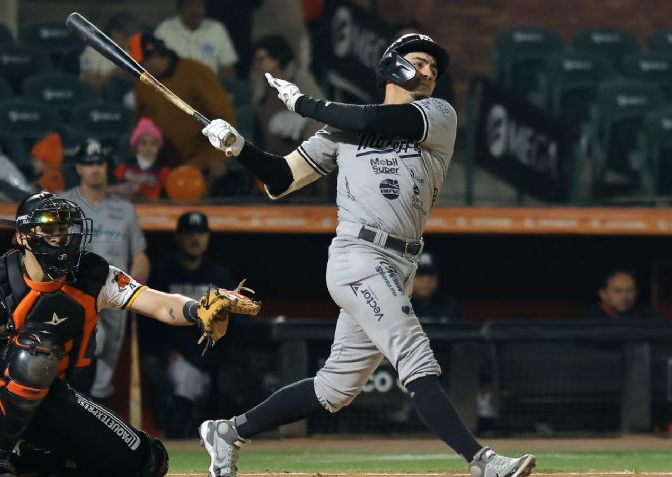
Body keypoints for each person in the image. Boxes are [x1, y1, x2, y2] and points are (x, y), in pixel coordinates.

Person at [199, 33, 536, 477]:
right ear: (393, 65)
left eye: (435, 67)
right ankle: (481, 462)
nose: (430, 71)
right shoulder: (342, 128)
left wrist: (304, 105)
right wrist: (239, 147)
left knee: (336, 388)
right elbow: (281, 179)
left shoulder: (438, 114)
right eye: (420, 61)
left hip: (401, 263)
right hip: (358, 255)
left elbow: (376, 118)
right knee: (416, 355)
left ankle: (229, 432)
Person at [0, 191, 248, 477]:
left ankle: (26, 462)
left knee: (148, 461)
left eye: (64, 227)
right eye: (47, 228)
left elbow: (157, 303)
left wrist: (197, 309)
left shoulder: (93, 275)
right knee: (37, 350)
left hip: (51, 393)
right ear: (22, 237)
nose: (59, 236)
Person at [61, 138, 151, 401]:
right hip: (76, 293)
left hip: (115, 294)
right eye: (88, 163)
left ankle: (93, 424)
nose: (95, 169)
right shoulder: (63, 205)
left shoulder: (124, 210)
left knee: (105, 370)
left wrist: (137, 285)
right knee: (89, 348)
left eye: (99, 162)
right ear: (78, 168)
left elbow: (140, 254)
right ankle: (74, 410)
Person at [138, 211, 234, 438]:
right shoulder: (161, 275)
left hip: (205, 363)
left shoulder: (220, 278)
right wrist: (159, 352)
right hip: (167, 361)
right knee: (184, 377)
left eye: (200, 233)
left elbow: (228, 329)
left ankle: (176, 436)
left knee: (190, 377)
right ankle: (176, 429)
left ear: (208, 237)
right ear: (178, 237)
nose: (195, 239)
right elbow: (149, 323)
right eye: (189, 233)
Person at [132, 34, 236, 183]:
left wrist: (218, 158)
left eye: (141, 63)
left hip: (199, 160)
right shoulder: (142, 80)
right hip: (158, 162)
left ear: (155, 56)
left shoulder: (195, 72)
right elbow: (139, 120)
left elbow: (225, 117)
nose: (139, 69)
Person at [252, 35, 326, 156]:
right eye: (256, 60)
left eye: (261, 59)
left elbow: (319, 114)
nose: (257, 65)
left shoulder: (300, 80)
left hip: (306, 153)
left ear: (276, 59)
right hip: (272, 155)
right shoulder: (260, 85)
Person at [154, 0, 238, 78]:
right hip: (175, 89)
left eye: (198, 6)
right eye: (189, 7)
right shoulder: (164, 31)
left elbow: (228, 67)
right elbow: (153, 67)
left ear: (205, 9)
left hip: (208, 87)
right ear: (180, 10)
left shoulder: (217, 29)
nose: (194, 11)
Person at [112, 118, 170, 201]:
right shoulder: (123, 168)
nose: (148, 148)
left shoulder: (164, 171)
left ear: (158, 147)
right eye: (144, 143)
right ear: (136, 146)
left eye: (153, 144)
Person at [79, 12, 139, 90]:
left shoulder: (132, 51)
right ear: (115, 33)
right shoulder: (93, 51)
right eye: (128, 36)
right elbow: (91, 87)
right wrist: (115, 73)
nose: (130, 41)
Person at [579, 268, 664, 321]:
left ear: (636, 293)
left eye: (629, 291)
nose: (624, 297)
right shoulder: (590, 320)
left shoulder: (647, 316)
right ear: (603, 294)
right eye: (617, 291)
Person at [410, 251, 465, 323]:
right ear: (408, 277)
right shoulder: (399, 306)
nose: (426, 280)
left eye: (431, 275)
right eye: (420, 274)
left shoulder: (450, 307)